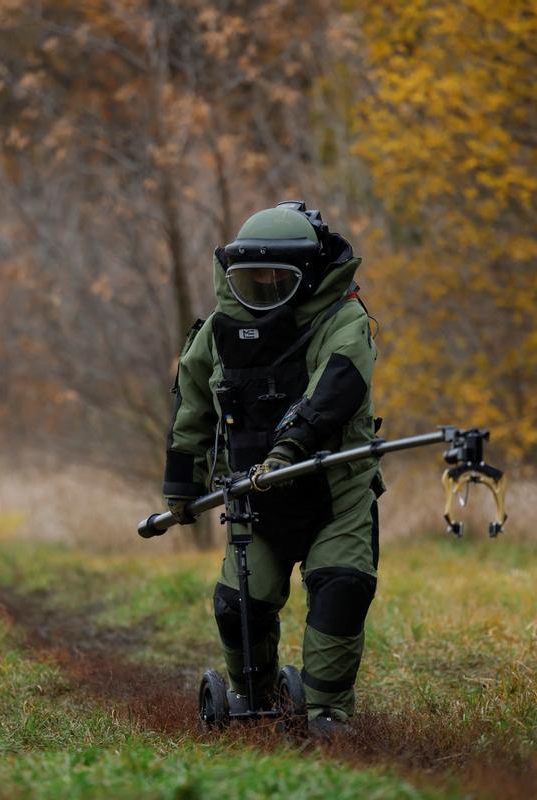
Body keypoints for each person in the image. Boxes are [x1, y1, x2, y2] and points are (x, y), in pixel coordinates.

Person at [162, 201, 382, 738]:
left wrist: (289, 448)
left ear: (306, 277)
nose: (262, 289)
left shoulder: (344, 320)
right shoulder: (216, 334)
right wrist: (181, 487)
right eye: (251, 279)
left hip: (337, 494)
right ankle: (254, 695)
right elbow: (191, 410)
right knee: (241, 601)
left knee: (342, 586)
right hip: (255, 502)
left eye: (276, 280)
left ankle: (327, 711)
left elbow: (334, 389)